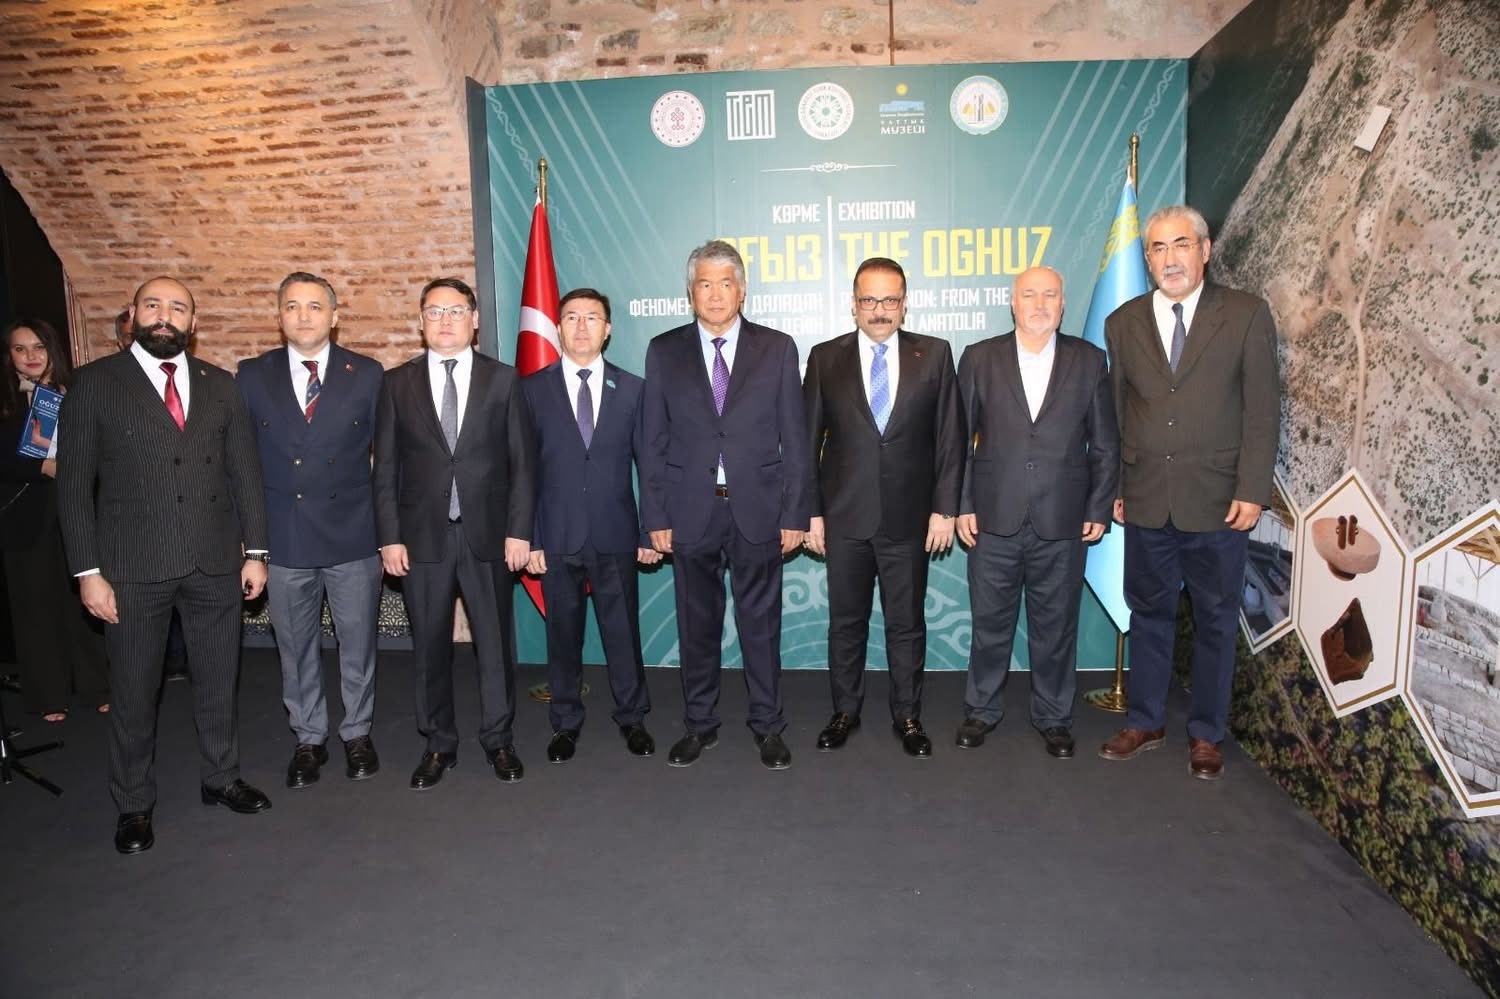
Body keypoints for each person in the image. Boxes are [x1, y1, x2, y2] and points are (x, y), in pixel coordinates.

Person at [56, 277, 272, 855]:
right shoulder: (95, 384)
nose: (164, 316)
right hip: (131, 568)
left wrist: (256, 552)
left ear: (192, 323)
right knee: (133, 691)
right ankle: (133, 803)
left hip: (213, 562)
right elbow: (73, 487)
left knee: (218, 680)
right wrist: (87, 572)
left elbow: (244, 473)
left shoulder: (220, 384)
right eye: (153, 305)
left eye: (178, 308)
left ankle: (221, 777)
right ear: (132, 314)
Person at [1099, 205, 1280, 780]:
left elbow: (1262, 411)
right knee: (1149, 612)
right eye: (1157, 248)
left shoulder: (1246, 315)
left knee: (1215, 619)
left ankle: (1206, 733)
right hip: (1147, 496)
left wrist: (1252, 488)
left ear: (1205, 250)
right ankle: (1146, 720)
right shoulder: (1123, 322)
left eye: (1181, 244)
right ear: (1147, 259)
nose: (1170, 258)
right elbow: (1117, 412)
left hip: (1219, 501)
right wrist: (1118, 484)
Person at [640, 239, 810, 771]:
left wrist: (794, 513)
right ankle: (699, 724)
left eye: (725, 283)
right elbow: (652, 441)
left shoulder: (777, 348)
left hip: (759, 508)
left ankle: (768, 726)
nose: (715, 294)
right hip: (691, 510)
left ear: (742, 290)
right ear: (691, 292)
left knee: (762, 625)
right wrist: (655, 516)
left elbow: (796, 438)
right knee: (697, 626)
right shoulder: (663, 351)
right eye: (705, 284)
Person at [373, 277, 535, 790]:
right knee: (429, 646)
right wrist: (389, 536)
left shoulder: (504, 380)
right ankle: (438, 743)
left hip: (490, 536)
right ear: (421, 321)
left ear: (475, 319)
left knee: (494, 643)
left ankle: (499, 738)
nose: (445, 321)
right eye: (434, 312)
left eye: (456, 311)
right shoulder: (396, 384)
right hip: (421, 539)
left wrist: (520, 532)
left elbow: (523, 464)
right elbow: (385, 469)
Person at [801, 257, 965, 758]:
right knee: (845, 623)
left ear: (904, 303)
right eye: (869, 300)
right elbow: (806, 443)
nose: (879, 310)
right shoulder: (825, 358)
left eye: (889, 299)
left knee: (906, 624)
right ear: (853, 304)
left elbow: (951, 438)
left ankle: (908, 715)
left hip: (909, 519)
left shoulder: (934, 355)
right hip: (844, 518)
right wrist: (809, 513)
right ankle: (844, 711)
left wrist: (945, 509)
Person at [954, 267, 1119, 758]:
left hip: (1063, 520)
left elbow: (1105, 443)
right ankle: (980, 710)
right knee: (989, 625)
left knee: (1056, 627)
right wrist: (962, 504)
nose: (1040, 304)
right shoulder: (979, 358)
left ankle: (1054, 717)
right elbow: (956, 442)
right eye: (1030, 294)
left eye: (1050, 295)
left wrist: (1098, 505)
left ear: (1063, 304)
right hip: (992, 519)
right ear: (1013, 302)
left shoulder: (1089, 361)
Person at [238, 272, 384, 788]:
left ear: (335, 316)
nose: (304, 316)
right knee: (295, 649)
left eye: (315, 306)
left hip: (353, 534)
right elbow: (241, 464)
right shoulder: (251, 375)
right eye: (293, 306)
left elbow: (386, 459)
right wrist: (251, 544)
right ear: (279, 316)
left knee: (357, 644)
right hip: (283, 537)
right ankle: (309, 737)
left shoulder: (367, 374)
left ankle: (357, 732)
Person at [522, 288, 659, 763]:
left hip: (615, 533)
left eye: (592, 318)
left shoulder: (634, 389)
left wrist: (649, 530)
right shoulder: (531, 390)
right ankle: (565, 722)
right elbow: (523, 471)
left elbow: (649, 466)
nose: (581, 327)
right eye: (572, 318)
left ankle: (632, 717)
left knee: (623, 632)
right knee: (562, 635)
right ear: (558, 328)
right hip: (555, 536)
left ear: (608, 329)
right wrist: (531, 537)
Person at [0, 317, 109, 722]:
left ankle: (100, 686)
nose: (30, 356)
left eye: (38, 347)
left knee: (88, 601)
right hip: (27, 514)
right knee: (35, 607)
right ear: (9, 355)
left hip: (80, 507)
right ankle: (49, 695)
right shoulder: (7, 399)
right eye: (20, 349)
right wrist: (41, 467)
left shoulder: (79, 390)